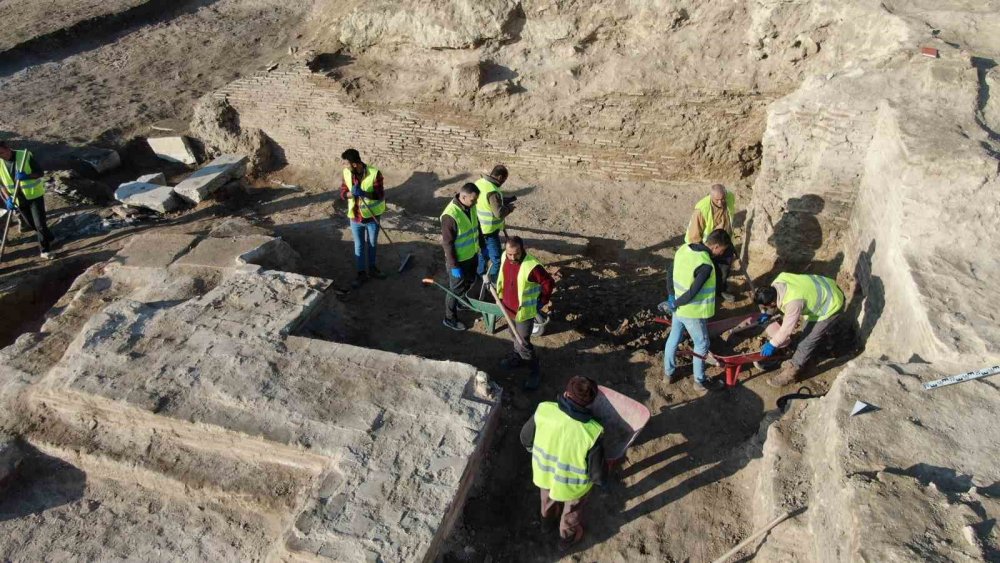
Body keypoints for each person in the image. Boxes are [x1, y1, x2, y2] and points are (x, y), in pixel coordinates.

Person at [520, 376, 606, 551]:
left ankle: (546, 525)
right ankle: (566, 538)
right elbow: (596, 474)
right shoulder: (592, 432)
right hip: (573, 488)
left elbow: (525, 438)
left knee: (547, 502)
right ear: (590, 403)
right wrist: (602, 480)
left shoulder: (544, 410)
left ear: (566, 393)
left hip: (545, 476)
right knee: (571, 513)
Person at [662, 229, 734, 392]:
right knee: (702, 344)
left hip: (678, 308)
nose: (721, 254)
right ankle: (700, 382)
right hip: (692, 312)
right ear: (715, 246)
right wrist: (676, 302)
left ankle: (668, 374)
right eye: (722, 250)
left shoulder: (684, 248)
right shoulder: (706, 264)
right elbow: (693, 292)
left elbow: (669, 272)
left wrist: (672, 296)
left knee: (674, 337)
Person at [754, 273, 845, 387]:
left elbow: (786, 330)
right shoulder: (778, 282)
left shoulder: (794, 303)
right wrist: (768, 313)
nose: (765, 309)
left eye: (766, 307)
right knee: (807, 332)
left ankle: (791, 373)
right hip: (826, 286)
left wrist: (772, 344)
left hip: (831, 305)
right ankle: (831, 333)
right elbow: (775, 302)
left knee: (807, 341)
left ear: (772, 302)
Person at [496, 236, 555, 390]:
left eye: (516, 254)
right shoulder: (504, 257)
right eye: (509, 254)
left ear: (522, 249)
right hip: (507, 308)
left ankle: (535, 371)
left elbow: (548, 282)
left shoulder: (532, 266)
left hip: (524, 313)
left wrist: (542, 301)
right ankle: (517, 358)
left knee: (523, 343)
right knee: (513, 335)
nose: (512, 257)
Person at [339, 148, 386, 288]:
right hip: (355, 218)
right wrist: (349, 194)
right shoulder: (347, 173)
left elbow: (379, 194)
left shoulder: (374, 173)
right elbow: (343, 192)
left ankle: (372, 269)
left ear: (354, 164)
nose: (345, 166)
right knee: (359, 246)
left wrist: (363, 193)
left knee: (372, 244)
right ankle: (361, 274)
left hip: (372, 217)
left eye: (347, 163)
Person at [0, 142, 53, 259]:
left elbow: (40, 173)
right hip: (17, 199)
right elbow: (1, 185)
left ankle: (45, 250)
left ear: (7, 149)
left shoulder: (24, 155)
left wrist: (27, 176)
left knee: (40, 224)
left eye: (2, 153)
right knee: (31, 224)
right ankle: (49, 237)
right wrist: (7, 198)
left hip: (34, 195)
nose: (1, 156)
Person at [440, 182, 482, 331]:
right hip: (458, 261)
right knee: (455, 290)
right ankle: (449, 318)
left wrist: (481, 246)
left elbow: (476, 227)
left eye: (476, 199)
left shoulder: (471, 205)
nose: (476, 202)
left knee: (469, 281)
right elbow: (448, 244)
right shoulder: (450, 216)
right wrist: (454, 266)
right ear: (463, 197)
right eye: (473, 200)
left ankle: (461, 303)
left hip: (471, 255)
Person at [686, 184, 738, 302]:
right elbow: (694, 236)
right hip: (708, 246)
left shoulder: (730, 197)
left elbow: (729, 218)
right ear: (711, 196)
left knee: (724, 269)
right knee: (708, 271)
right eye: (717, 200)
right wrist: (703, 252)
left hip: (725, 241)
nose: (720, 202)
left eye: (722, 199)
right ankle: (706, 295)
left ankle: (720, 290)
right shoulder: (702, 209)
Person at [474, 165, 515, 284]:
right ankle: (493, 283)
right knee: (496, 260)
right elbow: (498, 213)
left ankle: (479, 277)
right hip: (490, 231)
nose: (503, 183)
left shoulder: (480, 182)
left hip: (479, 227)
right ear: (500, 177)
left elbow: (485, 203)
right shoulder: (493, 190)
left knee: (483, 255)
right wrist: (509, 208)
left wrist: (502, 201)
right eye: (504, 180)